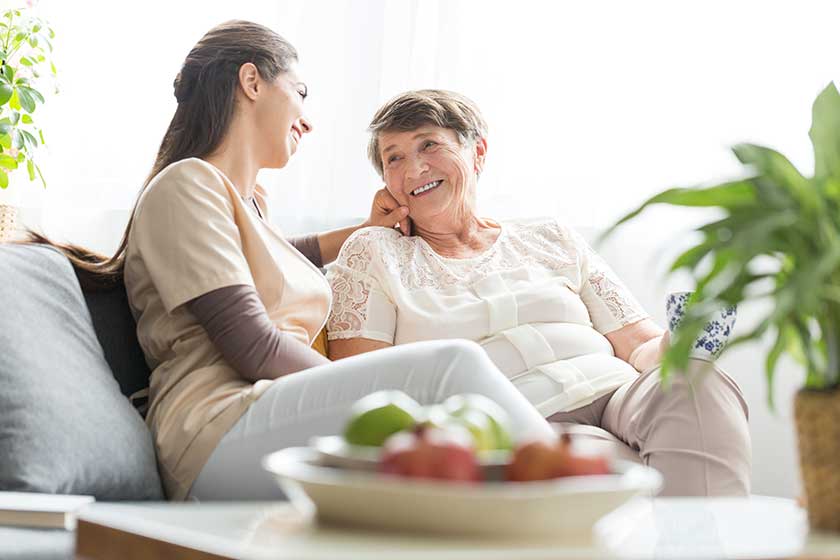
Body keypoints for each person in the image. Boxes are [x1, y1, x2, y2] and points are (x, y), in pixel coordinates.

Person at [27, 22, 556, 501]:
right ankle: (581, 488)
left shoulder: (249, 204)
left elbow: (278, 258)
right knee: (449, 366)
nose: (308, 120)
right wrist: (382, 386)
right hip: (216, 429)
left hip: (270, 412)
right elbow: (252, 346)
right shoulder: (186, 185)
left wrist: (363, 230)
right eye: (301, 93)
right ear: (252, 81)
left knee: (456, 450)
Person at [326, 89, 752, 496]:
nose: (414, 168)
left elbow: (638, 345)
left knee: (696, 381)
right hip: (515, 417)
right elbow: (366, 386)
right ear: (385, 184)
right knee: (593, 453)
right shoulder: (373, 252)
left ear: (477, 153)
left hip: (616, 393)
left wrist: (685, 338)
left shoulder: (551, 236)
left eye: (430, 146)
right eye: (393, 158)